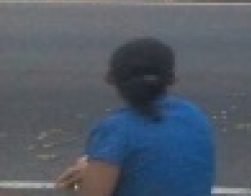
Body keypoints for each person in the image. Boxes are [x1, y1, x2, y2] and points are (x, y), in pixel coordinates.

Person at [55, 38, 214, 195]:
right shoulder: (194, 115)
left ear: (110, 78)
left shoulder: (115, 129)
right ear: (172, 79)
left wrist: (83, 182)